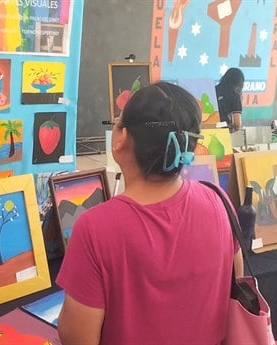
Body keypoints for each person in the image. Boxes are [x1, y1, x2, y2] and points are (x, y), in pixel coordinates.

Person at [56, 82, 243, 345]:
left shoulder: (95, 229)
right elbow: (234, 289)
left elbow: (77, 339)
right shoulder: (219, 200)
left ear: (121, 138)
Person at [215, 67, 245, 132]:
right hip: (226, 133)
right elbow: (237, 124)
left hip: (210, 131)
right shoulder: (235, 95)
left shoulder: (214, 90)